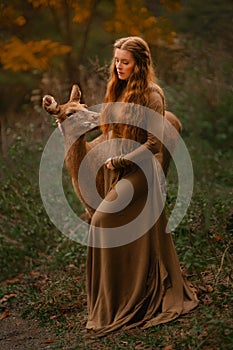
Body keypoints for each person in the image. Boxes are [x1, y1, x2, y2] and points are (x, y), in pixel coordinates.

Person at [86, 36, 198, 335]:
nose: (119, 66)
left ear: (140, 63)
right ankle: (116, 298)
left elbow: (154, 143)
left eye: (125, 61)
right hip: (118, 169)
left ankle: (130, 299)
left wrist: (122, 161)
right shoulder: (118, 89)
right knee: (110, 228)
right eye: (117, 60)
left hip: (140, 172)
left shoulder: (152, 94)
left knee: (100, 220)